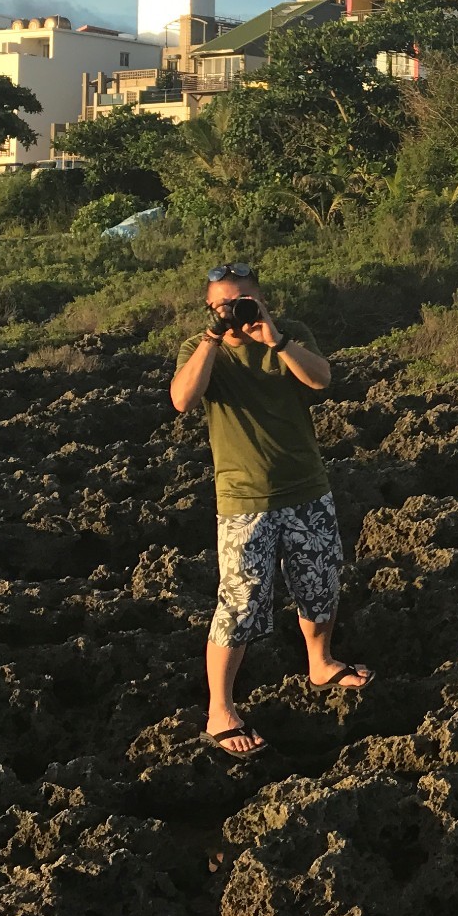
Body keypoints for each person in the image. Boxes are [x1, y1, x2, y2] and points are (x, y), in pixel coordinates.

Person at [169, 262, 370, 757]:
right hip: (243, 502)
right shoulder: (199, 349)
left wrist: (274, 339)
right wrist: (214, 340)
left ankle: (320, 663)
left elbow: (322, 380)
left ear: (260, 301)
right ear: (209, 309)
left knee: (321, 584)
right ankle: (220, 709)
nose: (233, 312)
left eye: (242, 302)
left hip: (306, 488)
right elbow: (181, 401)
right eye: (222, 305)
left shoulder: (289, 335)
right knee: (238, 603)